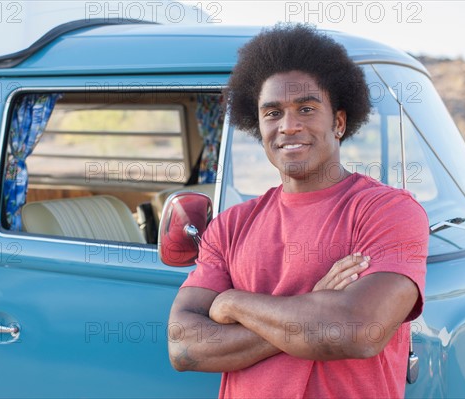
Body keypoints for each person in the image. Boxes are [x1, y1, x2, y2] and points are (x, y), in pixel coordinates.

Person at [167, 24, 429, 398]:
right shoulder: (231, 226)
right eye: (273, 113)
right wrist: (313, 307)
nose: (289, 126)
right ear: (257, 125)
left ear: (338, 122)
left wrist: (232, 303)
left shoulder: (386, 212)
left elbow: (355, 332)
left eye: (306, 108)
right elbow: (184, 347)